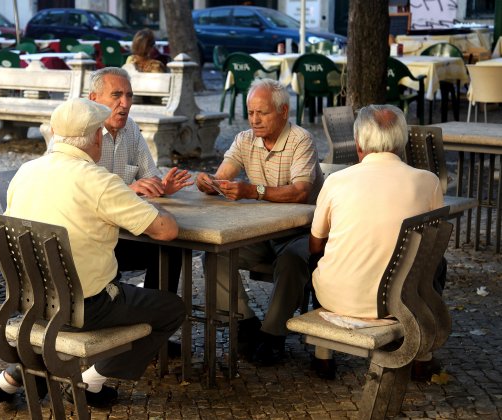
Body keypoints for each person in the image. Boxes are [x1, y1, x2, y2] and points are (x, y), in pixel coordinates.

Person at [0, 98, 186, 410]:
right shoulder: (97, 180)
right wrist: (150, 204)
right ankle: (91, 382)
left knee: (115, 293)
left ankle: (14, 377)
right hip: (88, 308)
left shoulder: (25, 172)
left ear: (54, 134)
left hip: (34, 302)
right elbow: (166, 231)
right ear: (94, 139)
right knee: (171, 308)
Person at [309, 104, 445, 380]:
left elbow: (315, 244)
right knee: (436, 262)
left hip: (336, 297)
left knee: (317, 258)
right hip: (399, 300)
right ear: (402, 140)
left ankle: (322, 356)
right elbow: (432, 249)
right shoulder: (428, 181)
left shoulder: (335, 181)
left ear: (359, 142)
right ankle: (422, 355)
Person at [195, 79, 324, 365]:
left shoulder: (301, 139)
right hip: (261, 231)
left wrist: (253, 191)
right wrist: (208, 182)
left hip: (301, 231)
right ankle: (245, 323)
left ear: (283, 111)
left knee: (292, 260)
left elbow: (301, 191)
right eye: (251, 112)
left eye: (262, 113)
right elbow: (223, 175)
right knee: (214, 255)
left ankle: (272, 335)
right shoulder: (244, 139)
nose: (255, 119)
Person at [87, 67, 192, 297]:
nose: (125, 103)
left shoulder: (130, 128)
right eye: (116, 95)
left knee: (171, 246)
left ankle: (158, 316)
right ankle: (142, 314)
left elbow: (148, 176)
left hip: (124, 231)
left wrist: (160, 187)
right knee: (168, 241)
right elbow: (82, 195)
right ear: (93, 99)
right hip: (92, 240)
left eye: (129, 95)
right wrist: (127, 190)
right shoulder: (83, 133)